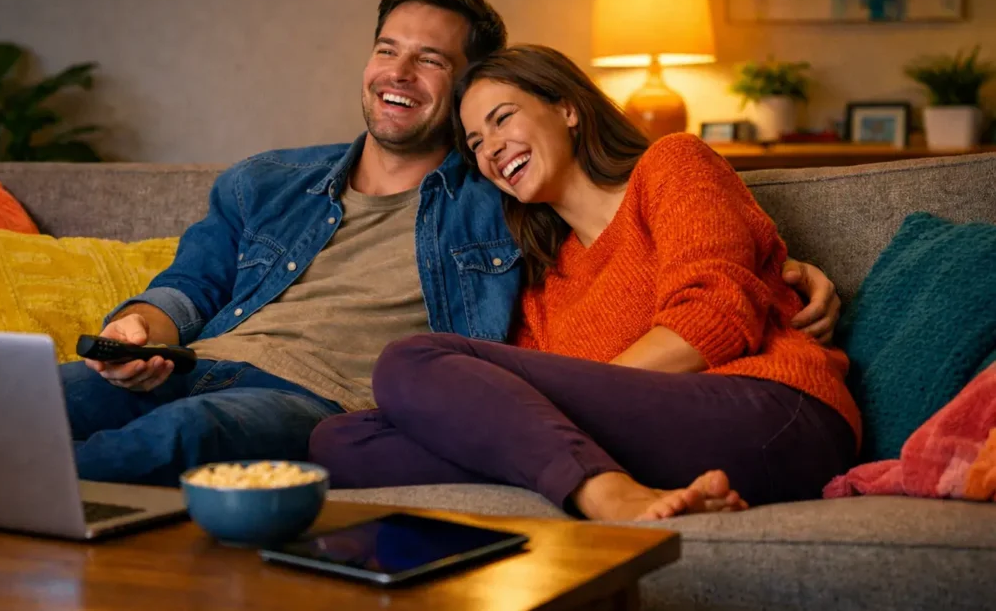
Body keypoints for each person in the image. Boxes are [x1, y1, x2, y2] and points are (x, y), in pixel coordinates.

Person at [62, 0, 841, 487]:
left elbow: (709, 291)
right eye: (387, 50)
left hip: (757, 406)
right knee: (342, 447)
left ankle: (18, 498)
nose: (399, 74)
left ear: (563, 105)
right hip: (200, 363)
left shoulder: (504, 201)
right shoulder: (536, 257)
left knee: (403, 370)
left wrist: (774, 263)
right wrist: (140, 326)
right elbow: (191, 284)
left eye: (431, 62)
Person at [308, 45, 861, 521]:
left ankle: (604, 496)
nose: (491, 149)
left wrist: (558, 411)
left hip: (772, 416)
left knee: (411, 360)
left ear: (567, 108)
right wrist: (542, 425)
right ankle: (604, 484)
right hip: (654, 451)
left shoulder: (671, 164)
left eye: (502, 119)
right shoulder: (542, 285)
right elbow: (511, 417)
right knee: (342, 440)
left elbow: (712, 323)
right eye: (475, 142)